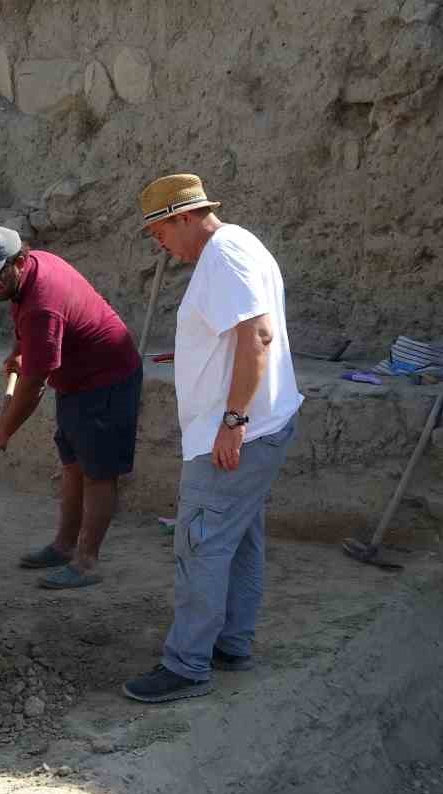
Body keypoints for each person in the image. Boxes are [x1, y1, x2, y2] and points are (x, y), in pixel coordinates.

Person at [122, 174, 303, 704]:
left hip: (237, 434)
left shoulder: (224, 255)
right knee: (238, 540)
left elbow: (259, 335)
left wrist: (232, 420)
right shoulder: (239, 247)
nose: (161, 245)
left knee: (200, 543)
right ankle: (232, 643)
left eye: (160, 233)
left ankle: (187, 664)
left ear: (183, 217)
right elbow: (240, 335)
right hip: (259, 425)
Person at [0, 226, 143, 590]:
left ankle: (86, 562)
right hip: (76, 378)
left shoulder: (43, 304)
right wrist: (21, 350)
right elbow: (30, 325)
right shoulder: (32, 271)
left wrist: (3, 433)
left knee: (97, 472)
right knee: (73, 464)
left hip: (106, 378)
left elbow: (33, 386)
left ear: (20, 260)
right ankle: (64, 546)